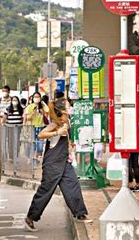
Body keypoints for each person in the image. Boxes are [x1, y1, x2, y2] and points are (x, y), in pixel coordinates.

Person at [24, 97, 91, 231]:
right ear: (62, 110)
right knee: (46, 190)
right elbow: (41, 135)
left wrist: (70, 145)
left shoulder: (67, 122)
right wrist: (57, 132)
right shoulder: (56, 123)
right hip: (52, 163)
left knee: (72, 184)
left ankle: (80, 213)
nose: (70, 108)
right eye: (68, 106)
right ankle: (30, 218)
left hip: (64, 161)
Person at [24, 92, 49, 164]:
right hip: (32, 127)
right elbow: (28, 118)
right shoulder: (30, 106)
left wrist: (43, 104)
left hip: (41, 127)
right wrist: (34, 112)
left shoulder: (42, 106)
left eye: (38, 97)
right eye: (35, 97)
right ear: (32, 98)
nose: (36, 98)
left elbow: (48, 111)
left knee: (40, 145)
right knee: (32, 144)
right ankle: (30, 157)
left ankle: (37, 158)